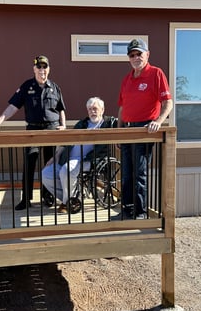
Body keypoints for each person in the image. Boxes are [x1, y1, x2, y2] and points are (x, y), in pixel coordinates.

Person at [0, 55, 67, 210]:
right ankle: (26, 199)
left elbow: (60, 109)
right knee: (29, 163)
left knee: (49, 164)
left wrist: (63, 125)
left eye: (44, 67)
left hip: (51, 130)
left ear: (49, 69)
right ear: (34, 69)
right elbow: (13, 106)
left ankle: (48, 196)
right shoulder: (27, 86)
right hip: (33, 129)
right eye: (39, 67)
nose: (42, 70)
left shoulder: (55, 87)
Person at [113, 38, 173, 220]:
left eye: (139, 53)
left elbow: (167, 102)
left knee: (139, 174)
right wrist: (118, 132)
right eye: (132, 55)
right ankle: (127, 210)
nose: (136, 57)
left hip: (144, 130)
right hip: (127, 131)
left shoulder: (156, 73)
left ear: (147, 54)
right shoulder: (127, 79)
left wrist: (159, 121)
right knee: (126, 174)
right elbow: (122, 108)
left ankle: (140, 213)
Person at [42, 96, 117, 213]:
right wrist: (55, 156)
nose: (92, 111)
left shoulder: (108, 123)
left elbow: (124, 124)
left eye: (95, 109)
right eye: (90, 109)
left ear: (102, 110)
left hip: (87, 160)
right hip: (67, 157)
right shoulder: (82, 123)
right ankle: (71, 199)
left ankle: (67, 203)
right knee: (46, 173)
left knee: (66, 170)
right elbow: (67, 141)